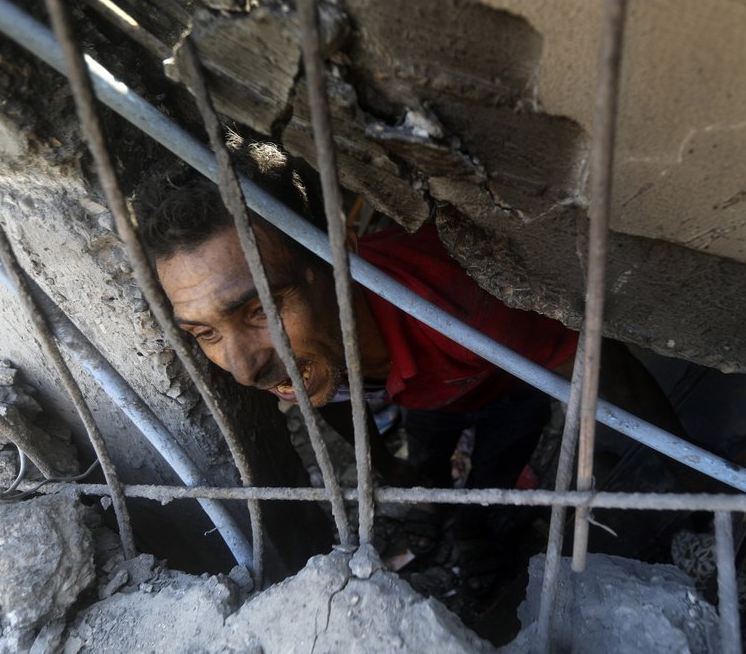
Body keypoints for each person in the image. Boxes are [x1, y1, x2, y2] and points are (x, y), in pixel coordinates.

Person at [134, 136, 685, 593]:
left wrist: (697, 481)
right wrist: (380, 465)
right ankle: (442, 506)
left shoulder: (470, 311)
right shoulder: (310, 351)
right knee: (427, 456)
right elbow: (330, 404)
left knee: (498, 463)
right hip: (421, 396)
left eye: (260, 309)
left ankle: (476, 527)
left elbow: (608, 373)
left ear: (338, 254)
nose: (241, 367)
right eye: (205, 332)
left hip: (501, 387)